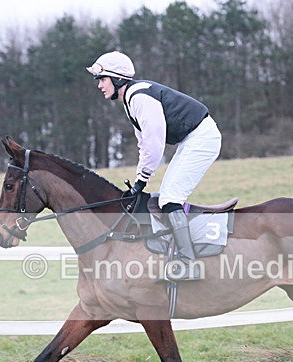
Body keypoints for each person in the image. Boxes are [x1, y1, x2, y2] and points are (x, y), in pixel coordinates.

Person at [86, 51, 222, 281]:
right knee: (165, 198)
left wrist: (141, 181)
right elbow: (144, 145)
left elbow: (154, 143)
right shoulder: (131, 101)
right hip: (192, 139)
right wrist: (140, 179)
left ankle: (189, 264)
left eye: (102, 79)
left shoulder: (139, 97)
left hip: (201, 138)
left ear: (118, 78)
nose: (99, 85)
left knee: (170, 198)